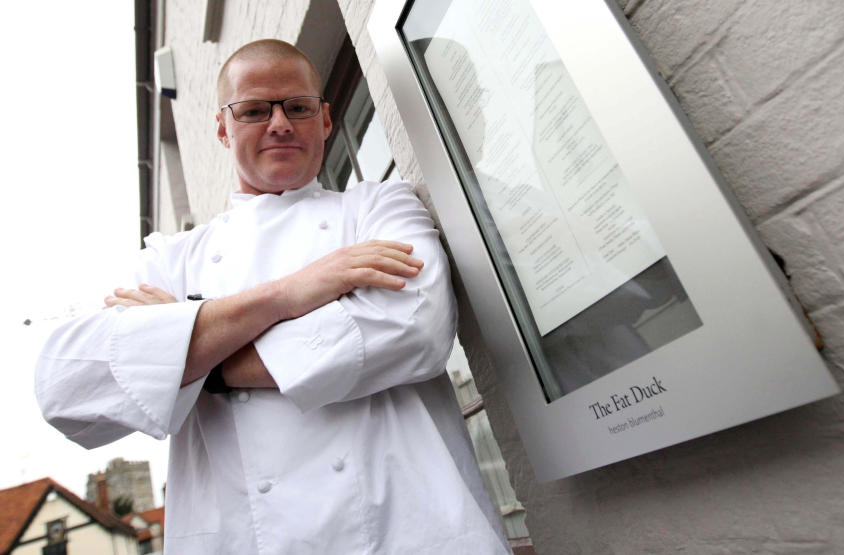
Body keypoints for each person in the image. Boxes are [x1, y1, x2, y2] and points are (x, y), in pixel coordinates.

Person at [35, 39, 509, 554]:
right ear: (222, 127)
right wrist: (288, 294)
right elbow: (67, 386)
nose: (279, 124)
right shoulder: (171, 259)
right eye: (254, 110)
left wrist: (194, 356)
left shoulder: (378, 207)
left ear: (325, 121)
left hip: (408, 531)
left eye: (298, 107)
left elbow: (416, 326)